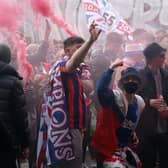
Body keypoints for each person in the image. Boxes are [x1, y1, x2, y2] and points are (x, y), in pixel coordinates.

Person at [36, 23, 101, 168]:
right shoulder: (62, 65)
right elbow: (72, 65)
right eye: (78, 48)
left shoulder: (82, 67)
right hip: (65, 127)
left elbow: (90, 86)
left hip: (77, 126)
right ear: (67, 51)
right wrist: (90, 41)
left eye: (83, 48)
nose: (83, 51)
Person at [91, 59, 145, 168]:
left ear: (139, 83)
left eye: (134, 79)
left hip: (124, 149)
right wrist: (110, 69)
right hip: (108, 151)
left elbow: (130, 125)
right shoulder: (115, 98)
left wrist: (132, 135)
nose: (131, 81)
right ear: (122, 83)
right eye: (127, 79)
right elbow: (101, 90)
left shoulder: (140, 102)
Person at [136, 42, 168, 168]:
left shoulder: (166, 75)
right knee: (148, 160)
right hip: (147, 127)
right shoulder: (140, 76)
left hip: (165, 125)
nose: (164, 58)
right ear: (153, 58)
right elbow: (134, 97)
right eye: (161, 56)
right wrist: (149, 102)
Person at [0, 44, 30, 168]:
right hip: (6, 142)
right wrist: (24, 144)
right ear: (8, 59)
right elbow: (20, 116)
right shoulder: (14, 82)